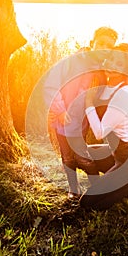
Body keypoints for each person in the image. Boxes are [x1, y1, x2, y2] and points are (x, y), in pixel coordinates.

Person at [79, 43, 128, 210]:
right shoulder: (109, 87)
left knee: (88, 204)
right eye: (112, 60)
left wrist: (88, 103)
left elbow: (100, 131)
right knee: (81, 154)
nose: (113, 66)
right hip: (117, 153)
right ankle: (110, 184)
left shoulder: (124, 93)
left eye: (120, 64)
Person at [44, 27, 118, 199]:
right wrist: (59, 110)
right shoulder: (72, 61)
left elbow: (101, 96)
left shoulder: (102, 71)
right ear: (92, 43)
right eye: (101, 43)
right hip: (62, 120)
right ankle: (74, 189)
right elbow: (51, 85)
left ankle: (99, 189)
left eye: (109, 46)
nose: (104, 48)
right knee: (67, 157)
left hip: (81, 123)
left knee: (83, 156)